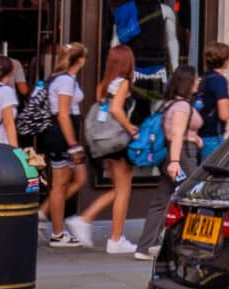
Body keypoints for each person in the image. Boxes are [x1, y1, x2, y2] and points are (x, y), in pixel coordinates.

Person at [69, 45, 139, 255]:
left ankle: (86, 220)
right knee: (123, 191)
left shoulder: (104, 84)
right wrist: (131, 129)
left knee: (118, 190)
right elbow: (116, 109)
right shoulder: (124, 83)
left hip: (103, 142)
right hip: (117, 142)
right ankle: (114, 238)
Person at [132, 65, 200, 261]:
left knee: (161, 202)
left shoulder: (169, 104)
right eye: (195, 79)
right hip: (182, 157)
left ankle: (145, 247)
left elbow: (178, 132)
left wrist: (194, 137)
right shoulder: (182, 106)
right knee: (193, 198)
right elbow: (177, 134)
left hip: (173, 154)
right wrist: (176, 162)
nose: (198, 82)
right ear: (187, 82)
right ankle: (189, 246)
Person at [41, 43, 90, 247]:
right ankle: (58, 233)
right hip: (61, 134)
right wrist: (73, 144)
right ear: (80, 60)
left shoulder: (62, 79)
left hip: (62, 133)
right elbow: (63, 114)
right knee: (60, 184)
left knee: (78, 177)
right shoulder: (66, 81)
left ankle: (43, 213)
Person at [196, 43, 229, 163]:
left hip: (198, 136)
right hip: (213, 137)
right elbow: (224, 115)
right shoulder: (219, 81)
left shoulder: (202, 79)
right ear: (225, 61)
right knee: (211, 178)